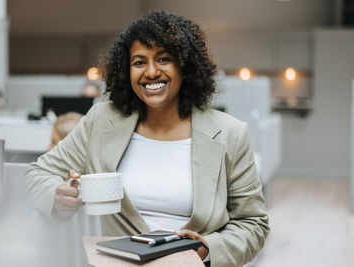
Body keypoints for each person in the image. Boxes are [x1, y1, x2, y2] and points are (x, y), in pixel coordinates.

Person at [25, 11, 269, 266]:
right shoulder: (102, 120)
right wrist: (57, 196)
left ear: (185, 66)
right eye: (139, 62)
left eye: (163, 59)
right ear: (126, 70)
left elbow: (253, 224)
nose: (151, 72)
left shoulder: (230, 133)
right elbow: (37, 173)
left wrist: (206, 249)